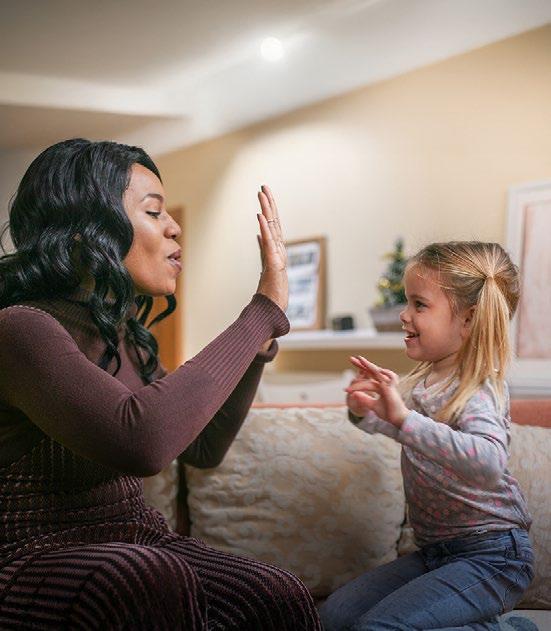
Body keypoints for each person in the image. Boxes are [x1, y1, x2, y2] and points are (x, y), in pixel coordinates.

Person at [0, 138, 321, 630]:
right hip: (27, 551)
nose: (174, 227)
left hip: (135, 540)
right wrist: (261, 314)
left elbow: (204, 449)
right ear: (84, 231)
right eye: (153, 212)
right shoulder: (20, 330)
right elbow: (141, 440)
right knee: (146, 577)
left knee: (273, 594)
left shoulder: (127, 336)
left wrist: (258, 344)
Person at [319, 241, 534, 631]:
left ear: (468, 320)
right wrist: (366, 411)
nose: (404, 314)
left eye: (419, 305)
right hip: (437, 553)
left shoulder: (479, 387)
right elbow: (406, 431)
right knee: (333, 617)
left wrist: (404, 419)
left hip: (494, 556)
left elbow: (488, 462)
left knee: (377, 628)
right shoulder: (424, 381)